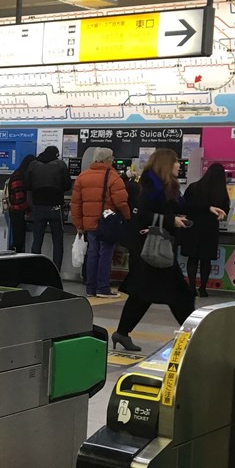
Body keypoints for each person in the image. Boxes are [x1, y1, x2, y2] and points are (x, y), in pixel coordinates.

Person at [113, 148, 194, 351]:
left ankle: (121, 333)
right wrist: (170, 220)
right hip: (150, 248)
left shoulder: (167, 185)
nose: (179, 165)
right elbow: (142, 214)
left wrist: (205, 210)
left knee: (143, 294)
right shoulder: (150, 185)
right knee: (179, 294)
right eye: (176, 162)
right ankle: (194, 334)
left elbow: (180, 207)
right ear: (165, 164)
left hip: (158, 247)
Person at [70, 147, 131, 299]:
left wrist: (79, 224)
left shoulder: (82, 177)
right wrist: (127, 217)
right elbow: (121, 202)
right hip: (107, 223)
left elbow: (75, 204)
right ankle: (103, 288)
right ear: (107, 160)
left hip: (89, 224)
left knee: (92, 255)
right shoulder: (114, 177)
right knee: (105, 254)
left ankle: (90, 288)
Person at [181, 162, 230, 297]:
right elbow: (225, 210)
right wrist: (219, 214)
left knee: (192, 259)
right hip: (210, 229)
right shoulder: (221, 192)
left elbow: (185, 206)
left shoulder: (193, 187)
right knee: (205, 260)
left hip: (193, 228)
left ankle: (191, 287)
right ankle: (203, 289)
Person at [26, 145, 71, 272]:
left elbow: (27, 185)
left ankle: (34, 270)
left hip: (38, 207)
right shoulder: (61, 165)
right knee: (57, 241)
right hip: (55, 208)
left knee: (37, 240)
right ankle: (56, 270)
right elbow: (67, 185)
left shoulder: (33, 165)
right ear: (56, 154)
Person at [6, 154, 35, 252]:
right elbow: (20, 198)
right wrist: (29, 209)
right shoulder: (19, 176)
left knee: (19, 240)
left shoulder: (18, 174)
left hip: (16, 211)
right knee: (18, 242)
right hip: (17, 212)